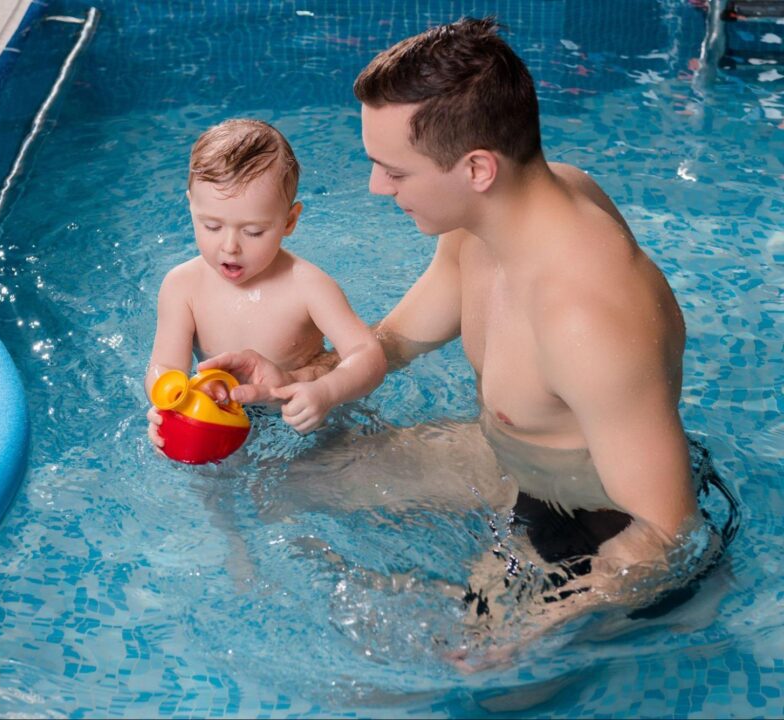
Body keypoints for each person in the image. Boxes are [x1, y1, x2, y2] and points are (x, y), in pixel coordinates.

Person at [200, 19, 708, 666]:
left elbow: (667, 532)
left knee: (456, 688)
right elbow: (394, 340)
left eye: (394, 171)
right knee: (288, 483)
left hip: (593, 523)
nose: (376, 186)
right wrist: (298, 380)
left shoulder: (587, 319)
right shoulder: (484, 220)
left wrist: (527, 633)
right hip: (511, 462)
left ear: (476, 168)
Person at [146, 119, 386, 447]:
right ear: (191, 206)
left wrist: (325, 392)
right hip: (223, 413)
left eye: (253, 231)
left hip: (303, 412)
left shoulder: (308, 287)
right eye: (212, 226)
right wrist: (169, 405)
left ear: (289, 221)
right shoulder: (182, 286)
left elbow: (368, 355)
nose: (230, 246)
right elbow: (164, 365)